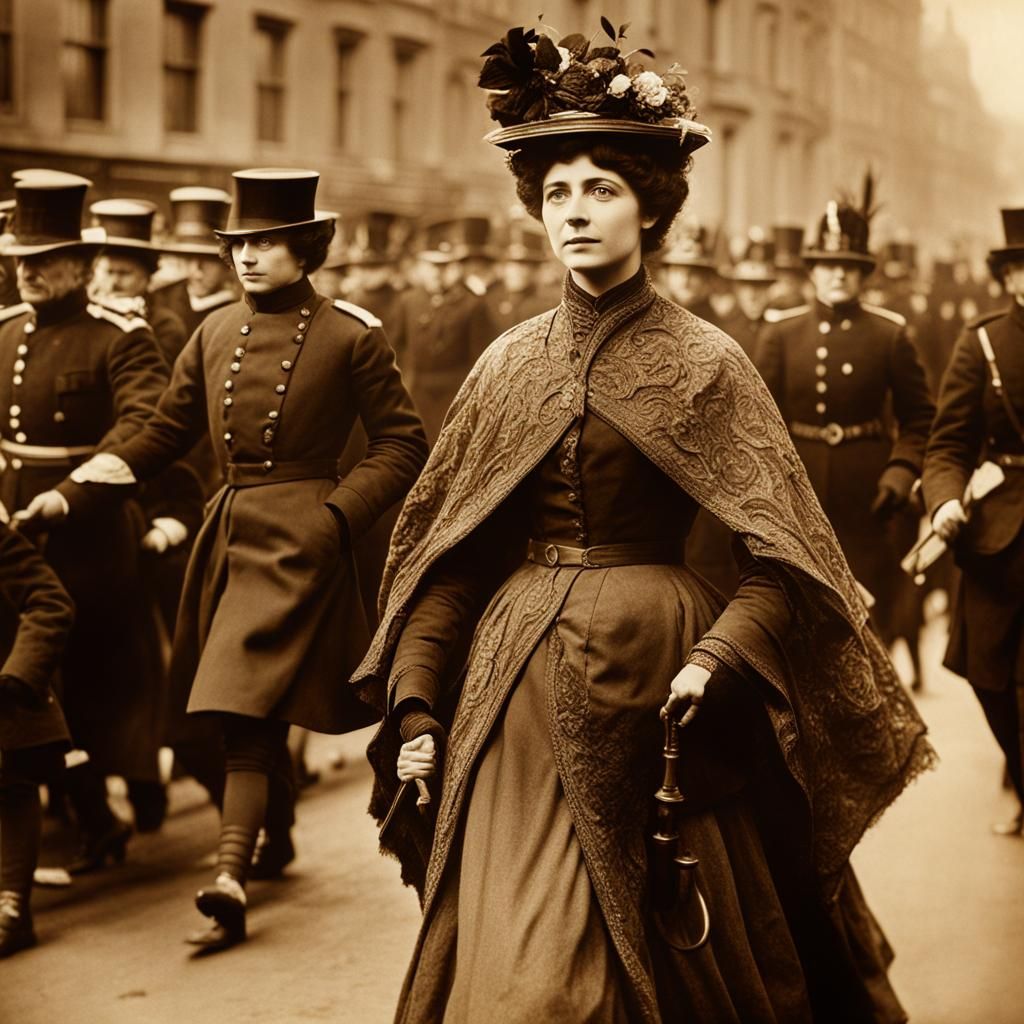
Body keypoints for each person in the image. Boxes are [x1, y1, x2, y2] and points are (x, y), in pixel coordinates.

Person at [355, 25, 928, 1023]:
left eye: (601, 188)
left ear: (649, 206)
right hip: (515, 705)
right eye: (556, 193)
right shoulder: (506, 365)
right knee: (525, 981)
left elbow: (780, 560)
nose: (573, 211)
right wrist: (413, 703)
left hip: (669, 691)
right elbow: (449, 557)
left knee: (684, 949)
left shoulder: (707, 363)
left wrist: (715, 657)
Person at [56, 168, 428, 953]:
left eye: (267, 243)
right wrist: (80, 486)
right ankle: (264, 831)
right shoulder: (214, 331)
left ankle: (228, 876)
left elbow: (403, 445)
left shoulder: (350, 334)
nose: (249, 259)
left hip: (303, 540)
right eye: (240, 245)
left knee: (244, 708)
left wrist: (338, 515)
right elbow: (163, 434)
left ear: (305, 251)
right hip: (226, 536)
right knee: (211, 718)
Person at [1, 169, 169, 873]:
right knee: (27, 682)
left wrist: (70, 494)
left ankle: (113, 800)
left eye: (45, 263)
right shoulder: (5, 331)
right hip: (11, 530)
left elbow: (145, 426)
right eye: (21, 263)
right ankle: (86, 818)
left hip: (91, 534)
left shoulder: (119, 337)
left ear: (80, 262)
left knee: (96, 687)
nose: (31, 276)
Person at [757, 182, 936, 688]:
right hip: (798, 498)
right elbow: (759, 423)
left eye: (850, 266)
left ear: (862, 275)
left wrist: (901, 474)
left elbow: (921, 418)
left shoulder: (890, 334)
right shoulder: (781, 333)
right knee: (795, 627)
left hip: (869, 500)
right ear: (811, 270)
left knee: (863, 627)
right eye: (828, 264)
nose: (838, 273)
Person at [924, 207, 1024, 836]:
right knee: (988, 677)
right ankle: (1016, 767)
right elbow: (948, 445)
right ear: (1009, 279)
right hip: (997, 536)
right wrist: (945, 501)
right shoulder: (982, 342)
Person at [0, 521, 75, 958]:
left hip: (7, 695)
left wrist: (17, 677)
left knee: (10, 784)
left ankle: (12, 907)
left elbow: (51, 601)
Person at [150, 187, 237, 338]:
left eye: (208, 261)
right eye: (188, 259)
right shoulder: (158, 300)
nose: (197, 272)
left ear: (227, 263)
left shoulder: (238, 312)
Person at [718, 228, 776, 359]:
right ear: (736, 290)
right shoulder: (723, 329)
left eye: (760, 287)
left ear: (770, 289)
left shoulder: (781, 330)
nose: (752, 296)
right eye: (745, 287)